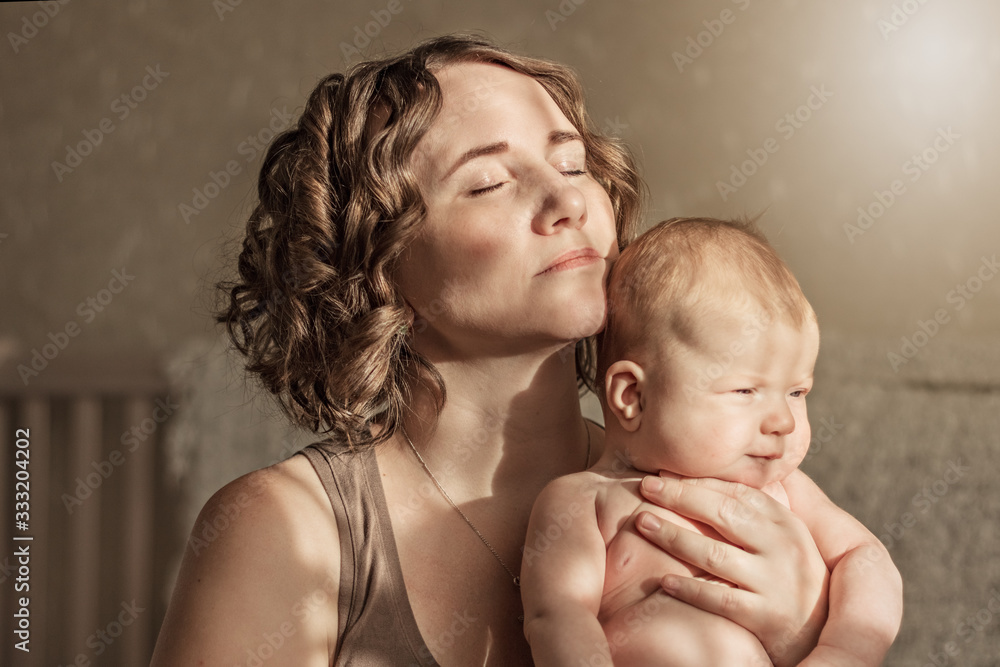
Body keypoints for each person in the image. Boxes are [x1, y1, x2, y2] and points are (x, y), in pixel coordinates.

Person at [150, 35, 888, 666]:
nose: (568, 199)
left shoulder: (722, 486)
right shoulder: (284, 532)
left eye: (572, 165)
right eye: (489, 182)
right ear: (377, 269)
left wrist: (799, 636)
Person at [521, 216, 904, 666]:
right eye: (745, 391)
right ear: (633, 396)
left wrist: (844, 652)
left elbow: (867, 557)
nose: (783, 420)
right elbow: (558, 615)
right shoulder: (582, 501)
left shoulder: (786, 490)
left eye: (798, 392)